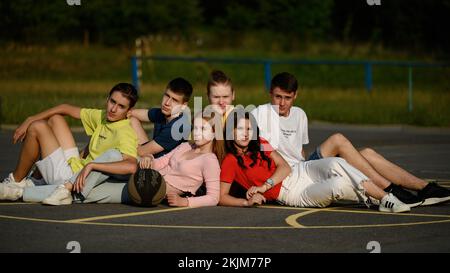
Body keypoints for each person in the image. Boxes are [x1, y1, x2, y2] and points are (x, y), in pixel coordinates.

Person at [251, 72, 450, 207]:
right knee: (338, 139)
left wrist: (308, 165)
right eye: (277, 97)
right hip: (289, 175)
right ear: (270, 93)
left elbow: (300, 150)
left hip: (305, 166)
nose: (282, 103)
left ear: (295, 95)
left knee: (367, 154)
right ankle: (389, 190)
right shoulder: (261, 113)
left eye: (287, 97)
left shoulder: (300, 114)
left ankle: (424, 188)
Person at [219, 109, 410, 213]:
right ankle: (375, 197)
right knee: (338, 184)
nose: (245, 134)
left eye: (248, 129)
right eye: (240, 129)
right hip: (291, 194)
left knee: (338, 164)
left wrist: (264, 186)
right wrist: (245, 202)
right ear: (230, 132)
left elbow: (284, 166)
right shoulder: (230, 161)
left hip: (298, 172)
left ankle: (386, 198)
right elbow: (222, 196)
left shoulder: (260, 143)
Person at [0, 83, 139, 205]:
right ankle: (37, 179)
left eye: (121, 106)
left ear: (129, 112)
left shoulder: (124, 132)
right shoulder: (104, 116)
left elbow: (131, 165)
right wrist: (30, 118)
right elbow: (65, 108)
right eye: (112, 101)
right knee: (56, 119)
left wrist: (92, 165)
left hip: (72, 179)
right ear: (107, 99)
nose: (113, 109)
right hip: (75, 165)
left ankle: (16, 181)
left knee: (37, 127)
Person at [139, 112, 225, 207]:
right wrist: (149, 158)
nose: (197, 132)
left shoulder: (209, 160)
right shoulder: (185, 146)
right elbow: (161, 162)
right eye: (195, 128)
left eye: (202, 129)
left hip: (152, 192)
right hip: (147, 179)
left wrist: (185, 201)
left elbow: (213, 198)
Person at [129, 77, 193, 159]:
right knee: (131, 119)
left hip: (164, 169)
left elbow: (141, 151)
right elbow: (132, 113)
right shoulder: (164, 113)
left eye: (174, 100)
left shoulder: (179, 127)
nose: (167, 103)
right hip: (152, 157)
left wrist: (124, 144)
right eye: (167, 96)